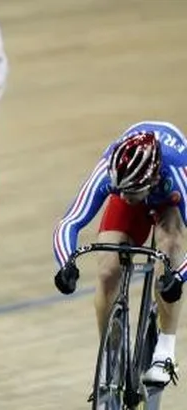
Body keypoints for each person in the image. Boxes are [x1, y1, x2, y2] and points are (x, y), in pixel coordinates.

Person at [53, 121, 187, 386]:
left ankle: (165, 350)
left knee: (170, 244)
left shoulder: (178, 173)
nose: (124, 197)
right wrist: (65, 263)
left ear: (154, 178)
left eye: (130, 192)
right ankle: (111, 353)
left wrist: (180, 276)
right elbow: (69, 222)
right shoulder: (110, 171)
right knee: (107, 270)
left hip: (167, 201)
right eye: (120, 190)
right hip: (136, 180)